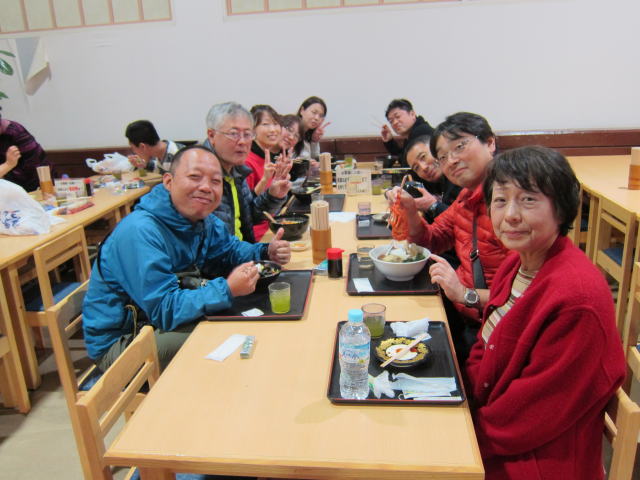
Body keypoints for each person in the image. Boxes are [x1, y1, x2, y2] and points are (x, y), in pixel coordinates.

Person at [467, 145, 625, 479]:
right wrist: (460, 401)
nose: (510, 214)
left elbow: (531, 417)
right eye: (500, 200)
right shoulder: (517, 263)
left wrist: (464, 436)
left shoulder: (576, 299)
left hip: (537, 460)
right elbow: (483, 345)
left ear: (561, 210)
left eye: (528, 199)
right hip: (498, 428)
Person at [83, 145, 292, 371]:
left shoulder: (201, 218)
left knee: (247, 319)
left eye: (215, 181)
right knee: (228, 333)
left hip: (159, 321)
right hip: (123, 341)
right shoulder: (140, 232)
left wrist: (264, 252)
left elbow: (228, 250)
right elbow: (165, 309)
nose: (206, 187)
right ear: (168, 181)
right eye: (194, 177)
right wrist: (227, 289)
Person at [397, 112, 509, 363]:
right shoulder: (466, 197)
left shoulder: (509, 205)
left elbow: (527, 297)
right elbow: (432, 240)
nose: (452, 161)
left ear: (490, 142)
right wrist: (411, 211)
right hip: (465, 316)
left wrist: (464, 294)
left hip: (493, 328)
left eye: (459, 147)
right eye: (443, 157)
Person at [203, 102, 290, 243]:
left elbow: (249, 216)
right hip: (232, 255)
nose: (242, 141)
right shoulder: (202, 176)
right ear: (212, 135)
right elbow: (214, 245)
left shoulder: (236, 169)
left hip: (242, 250)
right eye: (234, 134)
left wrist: (273, 195)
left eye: (247, 134)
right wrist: (260, 251)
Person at [385, 135, 461, 269]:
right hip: (443, 258)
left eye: (423, 157)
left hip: (456, 264)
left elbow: (461, 224)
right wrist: (408, 208)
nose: (423, 168)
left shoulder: (461, 183)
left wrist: (433, 205)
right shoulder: (438, 183)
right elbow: (434, 238)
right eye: (416, 168)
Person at [245, 105, 292, 240]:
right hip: (258, 235)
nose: (273, 129)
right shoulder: (247, 161)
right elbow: (247, 210)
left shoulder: (268, 157)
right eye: (266, 124)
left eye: (275, 124)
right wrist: (265, 180)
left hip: (273, 225)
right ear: (253, 129)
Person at [0, 107, 51, 192]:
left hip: (32, 186)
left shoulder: (15, 132)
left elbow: (35, 166)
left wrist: (7, 168)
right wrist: (8, 165)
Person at [380, 98, 433, 169]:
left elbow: (406, 163)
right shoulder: (411, 135)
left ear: (412, 114)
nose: (395, 122)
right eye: (391, 121)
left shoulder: (421, 131)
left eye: (398, 117)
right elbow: (403, 158)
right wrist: (389, 141)